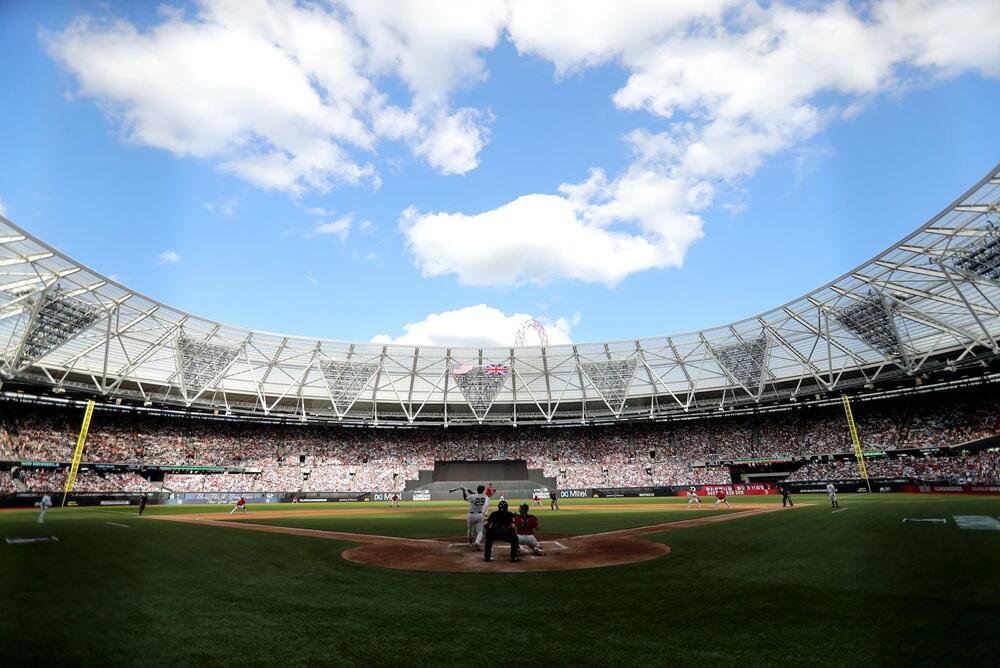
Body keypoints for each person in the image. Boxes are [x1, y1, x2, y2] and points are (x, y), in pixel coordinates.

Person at [460, 485, 489, 550]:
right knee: (480, 531)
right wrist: (466, 489)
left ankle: (470, 542)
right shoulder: (485, 496)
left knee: (470, 529)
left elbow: (465, 498)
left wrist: (463, 491)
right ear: (483, 490)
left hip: (471, 515)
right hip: (480, 515)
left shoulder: (473, 496)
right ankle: (477, 543)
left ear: (477, 490)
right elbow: (474, 493)